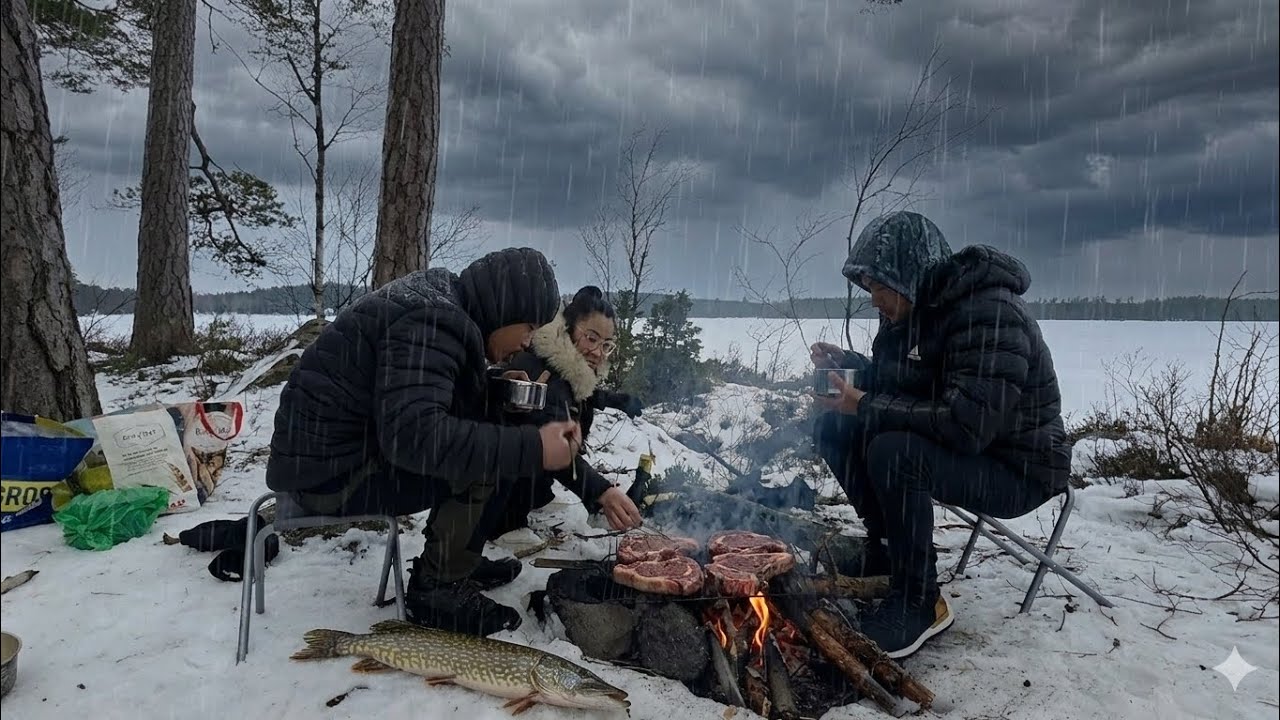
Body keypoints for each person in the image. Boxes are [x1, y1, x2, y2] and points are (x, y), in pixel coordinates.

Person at [264, 247, 581, 637]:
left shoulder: (443, 305)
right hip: (327, 477)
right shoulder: (433, 321)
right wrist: (534, 447)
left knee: (493, 436)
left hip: (334, 455)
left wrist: (496, 393)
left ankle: (457, 562)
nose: (529, 341)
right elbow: (416, 437)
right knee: (489, 455)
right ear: (505, 309)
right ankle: (436, 592)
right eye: (529, 327)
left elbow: (417, 399)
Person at [811, 210, 1071, 659]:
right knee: (834, 425)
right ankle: (890, 550)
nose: (874, 300)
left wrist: (868, 403)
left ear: (910, 274)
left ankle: (919, 601)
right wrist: (854, 369)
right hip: (972, 450)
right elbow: (910, 385)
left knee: (895, 451)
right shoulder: (917, 309)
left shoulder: (991, 315)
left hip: (1019, 467)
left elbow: (966, 424)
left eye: (878, 288)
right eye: (869, 289)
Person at [489, 286, 646, 537]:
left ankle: (527, 499)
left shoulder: (560, 363)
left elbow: (583, 393)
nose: (598, 352)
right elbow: (555, 450)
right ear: (569, 329)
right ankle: (505, 523)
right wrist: (601, 491)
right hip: (492, 494)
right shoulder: (545, 373)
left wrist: (618, 400)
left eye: (606, 344)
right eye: (591, 339)